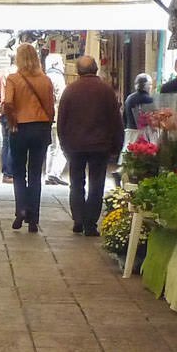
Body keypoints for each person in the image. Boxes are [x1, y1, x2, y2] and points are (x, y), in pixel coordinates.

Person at [56, 55, 123, 235]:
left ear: (78, 71)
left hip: (75, 146)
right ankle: (90, 223)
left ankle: (78, 218)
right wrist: (117, 145)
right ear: (96, 69)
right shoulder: (106, 91)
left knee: (76, 182)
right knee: (96, 183)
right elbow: (116, 120)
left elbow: (61, 120)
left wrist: (63, 143)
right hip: (100, 146)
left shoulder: (70, 90)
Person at [1, 43, 56, 233]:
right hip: (40, 127)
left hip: (20, 128)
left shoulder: (13, 79)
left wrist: (12, 120)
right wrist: (47, 122)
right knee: (35, 173)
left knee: (18, 171)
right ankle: (34, 218)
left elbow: (7, 102)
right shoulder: (46, 80)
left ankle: (21, 209)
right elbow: (50, 107)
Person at [44, 50, 69, 186]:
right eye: (61, 63)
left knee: (52, 146)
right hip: (58, 116)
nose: (64, 66)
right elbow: (61, 99)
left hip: (47, 117)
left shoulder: (45, 77)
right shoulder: (58, 78)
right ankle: (55, 173)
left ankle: (49, 173)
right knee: (61, 146)